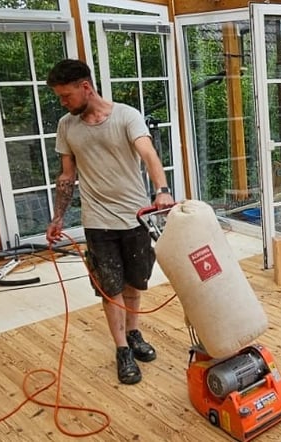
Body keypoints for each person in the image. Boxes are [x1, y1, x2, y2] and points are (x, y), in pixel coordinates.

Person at [45, 59, 175, 385]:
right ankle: (122, 350)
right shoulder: (67, 126)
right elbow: (67, 176)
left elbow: (148, 154)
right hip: (97, 221)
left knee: (134, 282)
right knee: (110, 287)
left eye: (66, 95)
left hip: (134, 217)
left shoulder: (126, 116)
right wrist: (58, 217)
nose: (63, 102)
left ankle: (133, 333)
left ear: (86, 87)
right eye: (60, 97)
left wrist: (162, 190)